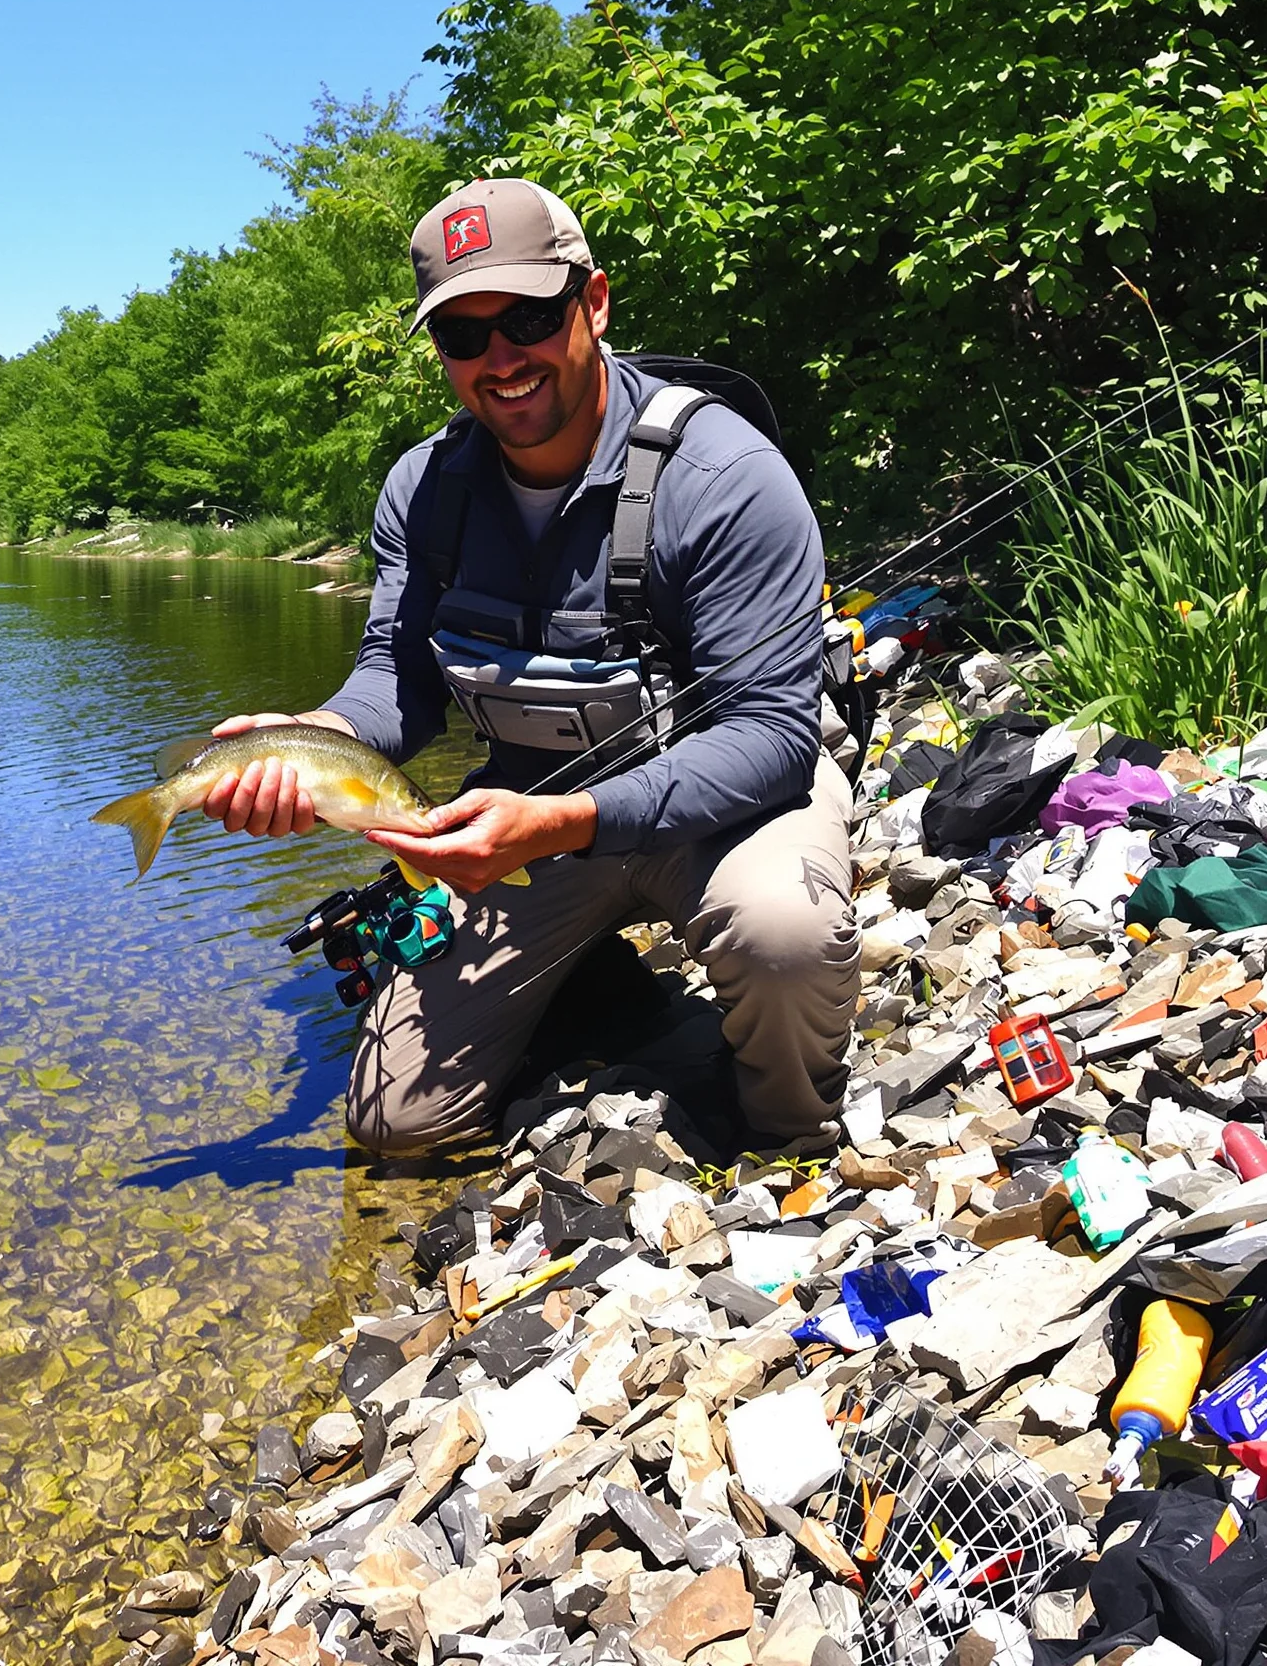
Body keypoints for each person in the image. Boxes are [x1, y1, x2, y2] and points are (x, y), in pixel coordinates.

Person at [202, 178, 860, 1155]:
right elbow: (398, 680)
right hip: (531, 813)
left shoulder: (724, 477)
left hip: (725, 807)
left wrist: (561, 821)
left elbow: (770, 737)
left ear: (593, 302)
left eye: (528, 317)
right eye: (463, 334)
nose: (501, 359)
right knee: (394, 1123)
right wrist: (313, 741)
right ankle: (613, 1003)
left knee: (781, 934)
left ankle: (785, 1143)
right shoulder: (425, 490)